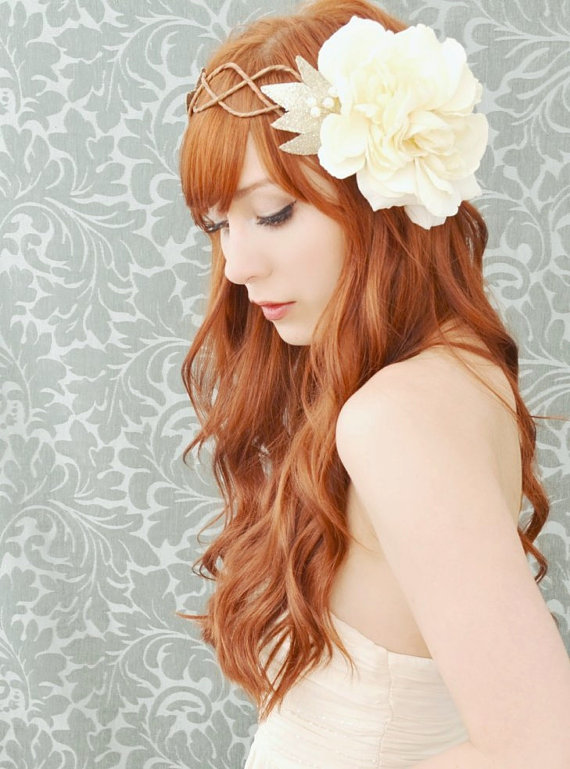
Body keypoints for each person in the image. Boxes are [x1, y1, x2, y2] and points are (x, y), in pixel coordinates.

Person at [176, 1, 570, 767]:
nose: (238, 266)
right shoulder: (454, 373)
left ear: (375, 198)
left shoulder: (395, 415)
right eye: (220, 225)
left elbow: (545, 744)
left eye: (274, 213)